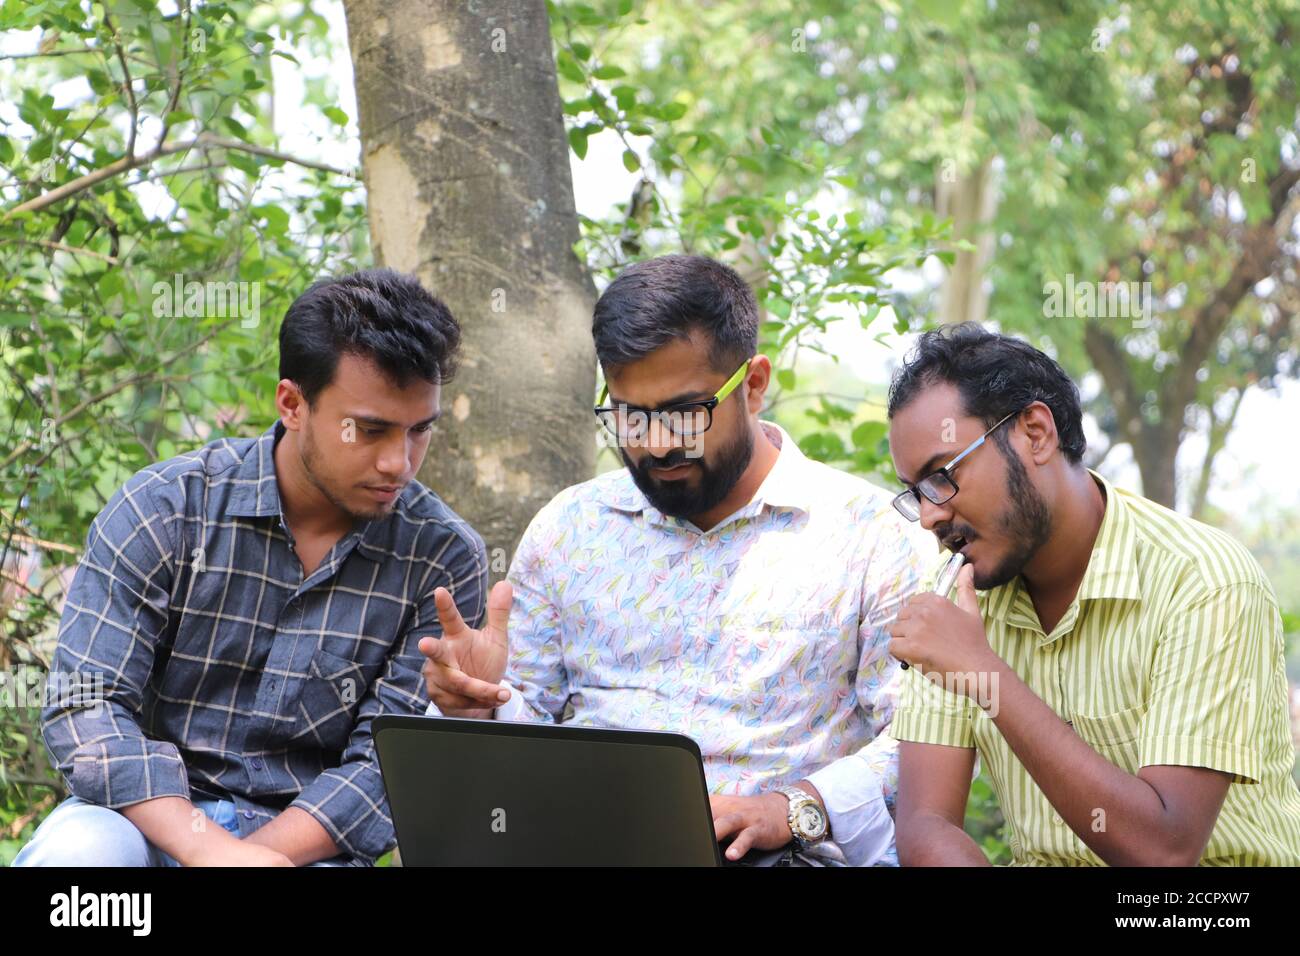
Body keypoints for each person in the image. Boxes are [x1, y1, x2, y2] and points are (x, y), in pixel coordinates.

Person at [419, 254, 934, 865]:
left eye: (685, 414)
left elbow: (923, 740)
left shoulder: (869, 535)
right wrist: (482, 705)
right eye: (631, 417)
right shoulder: (570, 528)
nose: (658, 445)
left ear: (754, 384)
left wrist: (794, 807)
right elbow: (520, 748)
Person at [15, 269, 492, 867]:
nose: (399, 462)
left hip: (307, 850)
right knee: (80, 859)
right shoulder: (167, 508)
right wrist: (206, 850)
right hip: (141, 824)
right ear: (293, 404)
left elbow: (384, 765)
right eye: (368, 430)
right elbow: (85, 705)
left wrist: (253, 860)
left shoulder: (441, 557)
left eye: (419, 430)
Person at [885, 323, 1300, 866]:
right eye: (915, 493)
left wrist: (983, 675)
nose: (929, 515)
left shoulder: (1202, 581)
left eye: (941, 476)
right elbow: (925, 822)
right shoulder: (961, 598)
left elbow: (1164, 853)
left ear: (1035, 433)